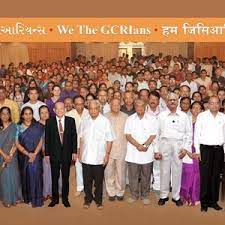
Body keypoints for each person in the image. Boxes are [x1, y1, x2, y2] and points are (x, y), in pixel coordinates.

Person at [155, 92, 192, 207]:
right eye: (170, 100)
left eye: (174, 100)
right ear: (167, 102)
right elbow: (156, 134)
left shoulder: (183, 116)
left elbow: (188, 133)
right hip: (164, 144)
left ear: (178, 102)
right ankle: (163, 195)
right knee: (164, 171)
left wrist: (185, 149)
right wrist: (156, 150)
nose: (172, 102)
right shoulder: (161, 116)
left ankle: (176, 196)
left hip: (178, 145)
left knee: (177, 171)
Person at [79, 100, 115, 209]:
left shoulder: (105, 121)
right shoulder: (84, 121)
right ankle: (88, 199)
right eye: (91, 108)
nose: (93, 111)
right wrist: (80, 153)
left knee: (99, 181)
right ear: (88, 109)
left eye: (95, 108)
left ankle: (99, 200)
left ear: (99, 109)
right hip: (86, 156)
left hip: (99, 157)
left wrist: (107, 155)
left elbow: (110, 140)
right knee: (87, 181)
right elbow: (80, 138)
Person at [194, 96, 225, 212]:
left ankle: (213, 201)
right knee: (205, 176)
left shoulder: (223, 117)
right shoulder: (202, 116)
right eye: (212, 103)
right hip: (205, 150)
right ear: (208, 104)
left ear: (220, 104)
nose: (214, 105)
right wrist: (197, 151)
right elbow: (196, 135)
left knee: (215, 176)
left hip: (219, 150)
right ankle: (204, 203)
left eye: (217, 103)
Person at [124, 99, 157, 205]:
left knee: (146, 175)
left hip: (147, 152)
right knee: (133, 175)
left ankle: (145, 195)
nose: (139, 108)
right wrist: (138, 145)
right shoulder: (129, 119)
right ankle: (134, 194)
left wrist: (145, 145)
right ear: (135, 106)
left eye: (141, 105)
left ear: (145, 106)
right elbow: (128, 136)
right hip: (133, 152)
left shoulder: (152, 119)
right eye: (137, 106)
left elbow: (153, 134)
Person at [45, 102, 77, 208]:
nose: (60, 111)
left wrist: (74, 152)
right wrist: (47, 154)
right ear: (54, 110)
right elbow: (47, 139)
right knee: (54, 177)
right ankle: (54, 200)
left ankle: (65, 199)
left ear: (65, 109)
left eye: (62, 108)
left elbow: (74, 137)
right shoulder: (49, 122)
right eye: (57, 109)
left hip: (67, 154)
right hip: (54, 155)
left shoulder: (71, 121)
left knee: (65, 178)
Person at [16, 107, 44, 207]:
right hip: (24, 156)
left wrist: (35, 153)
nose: (28, 116)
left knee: (36, 175)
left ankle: (37, 199)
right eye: (26, 114)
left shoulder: (38, 126)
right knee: (26, 176)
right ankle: (28, 198)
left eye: (30, 114)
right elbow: (17, 143)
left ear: (33, 115)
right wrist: (28, 154)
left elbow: (41, 141)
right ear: (22, 115)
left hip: (36, 155)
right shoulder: (18, 127)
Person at [65, 96, 89, 197]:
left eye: (81, 104)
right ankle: (80, 187)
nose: (79, 106)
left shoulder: (89, 112)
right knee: (78, 166)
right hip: (75, 144)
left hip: (88, 144)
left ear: (84, 103)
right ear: (74, 105)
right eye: (77, 104)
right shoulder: (68, 114)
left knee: (88, 166)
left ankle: (88, 187)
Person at [105, 98, 128, 201]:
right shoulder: (105, 117)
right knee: (109, 172)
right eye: (113, 104)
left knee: (121, 172)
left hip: (122, 148)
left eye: (118, 104)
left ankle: (120, 191)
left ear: (121, 105)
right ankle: (111, 192)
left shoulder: (125, 117)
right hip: (108, 149)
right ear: (110, 105)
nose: (116, 106)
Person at [180, 101, 202, 206]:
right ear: (191, 109)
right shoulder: (186, 120)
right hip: (187, 151)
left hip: (198, 152)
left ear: (202, 110)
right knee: (186, 174)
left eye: (198, 108)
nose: (196, 110)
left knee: (196, 175)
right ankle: (185, 196)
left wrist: (197, 152)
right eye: (194, 107)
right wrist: (188, 151)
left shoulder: (204, 122)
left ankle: (194, 197)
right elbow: (182, 137)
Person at [0, 107, 22, 207]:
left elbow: (16, 142)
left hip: (12, 155)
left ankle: (15, 197)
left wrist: (10, 155)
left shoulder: (15, 126)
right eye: (3, 114)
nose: (5, 116)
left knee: (14, 175)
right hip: (1, 155)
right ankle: (6, 199)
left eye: (7, 113)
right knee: (4, 178)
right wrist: (4, 156)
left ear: (10, 115)